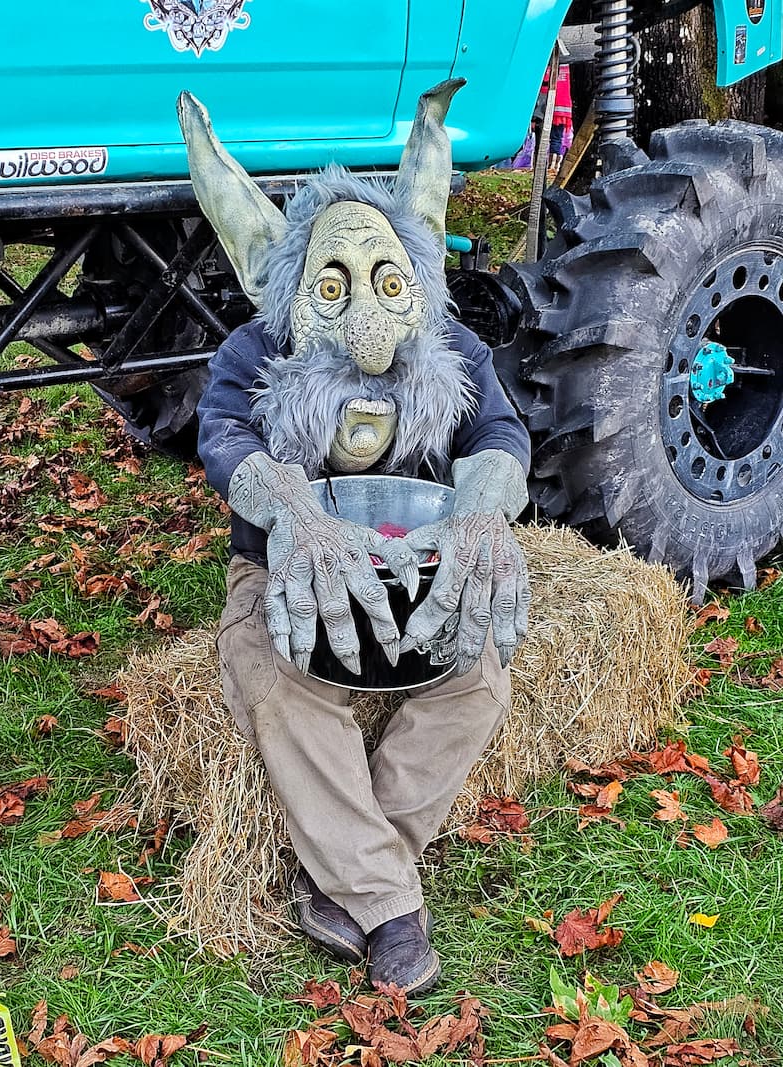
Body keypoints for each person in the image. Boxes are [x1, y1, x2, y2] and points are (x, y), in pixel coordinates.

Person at [179, 79, 531, 994]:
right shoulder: (253, 352)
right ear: (297, 288)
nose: (369, 325)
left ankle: (349, 880)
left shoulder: (452, 349)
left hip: (420, 564)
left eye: (387, 281)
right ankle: (389, 905)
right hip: (282, 566)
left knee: (481, 675)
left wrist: (483, 511)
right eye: (334, 286)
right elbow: (225, 440)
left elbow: (500, 433)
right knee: (274, 683)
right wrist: (295, 514)